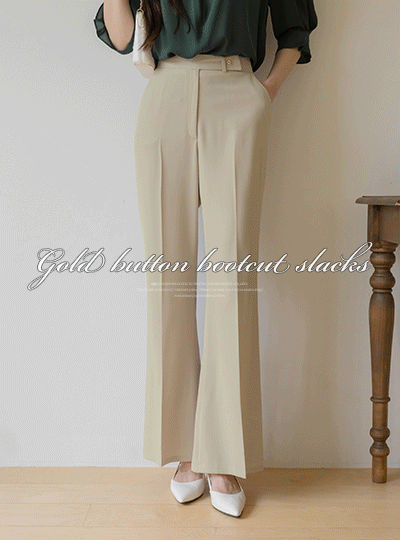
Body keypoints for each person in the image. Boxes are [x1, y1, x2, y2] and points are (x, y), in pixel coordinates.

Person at [93, 0, 318, 518]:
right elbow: (122, 36)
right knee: (167, 284)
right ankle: (186, 450)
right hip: (165, 94)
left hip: (237, 93)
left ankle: (223, 455)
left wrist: (265, 93)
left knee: (230, 283)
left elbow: (295, 29)